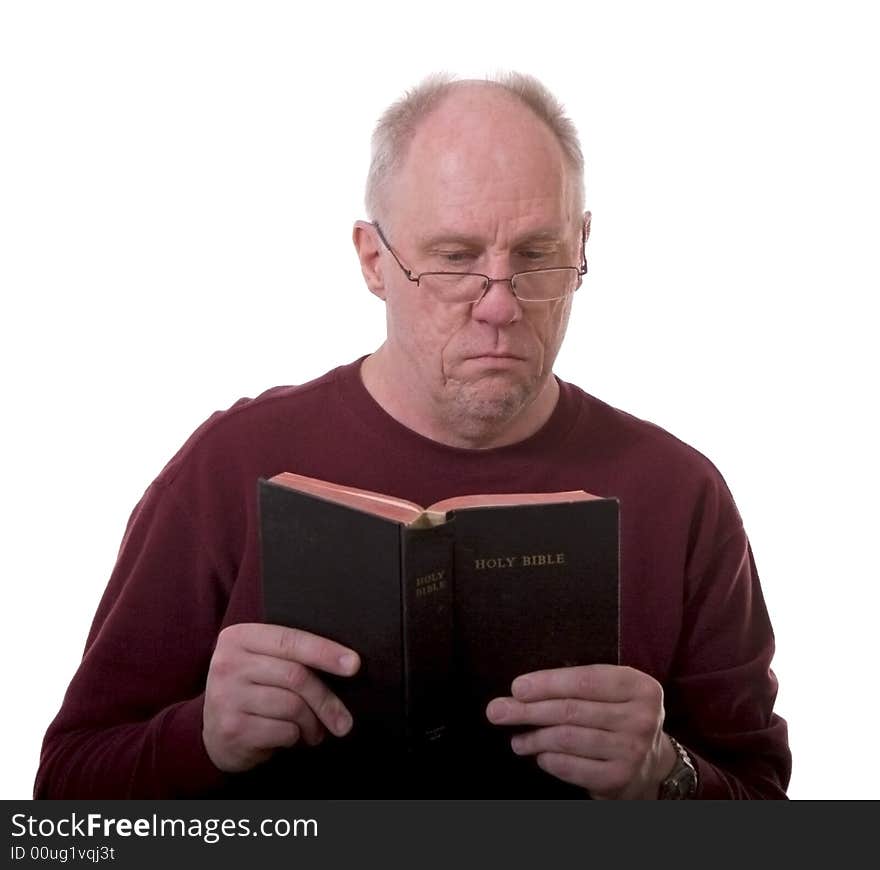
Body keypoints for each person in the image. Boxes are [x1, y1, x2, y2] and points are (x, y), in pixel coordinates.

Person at [35, 72, 790, 799]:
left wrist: (664, 776)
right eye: (456, 260)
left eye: (536, 256)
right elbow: (63, 795)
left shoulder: (681, 493)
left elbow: (766, 807)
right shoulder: (229, 466)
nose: (500, 306)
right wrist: (200, 738)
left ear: (584, 243)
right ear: (373, 259)